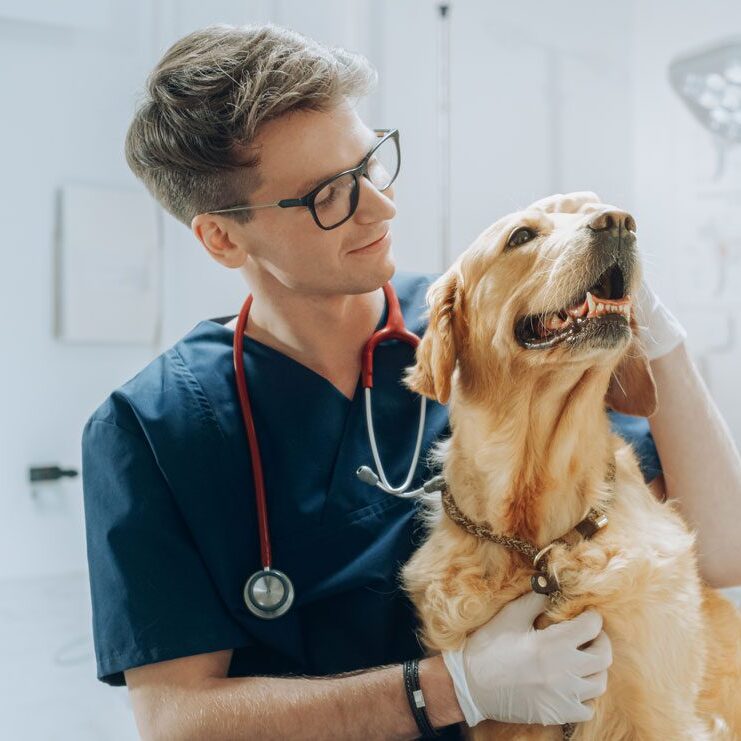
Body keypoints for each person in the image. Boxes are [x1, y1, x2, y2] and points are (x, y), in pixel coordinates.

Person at [81, 22, 741, 741]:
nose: (380, 207)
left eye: (370, 163)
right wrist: (444, 688)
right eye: (328, 195)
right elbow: (177, 719)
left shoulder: (490, 337)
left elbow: (720, 548)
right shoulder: (150, 429)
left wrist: (652, 324)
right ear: (223, 236)